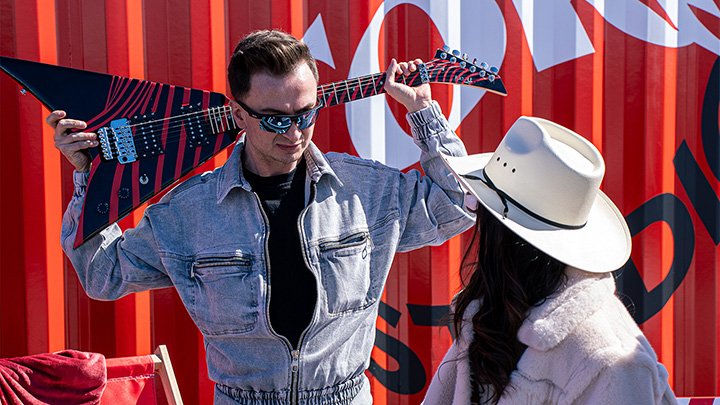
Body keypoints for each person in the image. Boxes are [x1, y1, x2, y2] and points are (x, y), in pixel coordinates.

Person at [48, 30, 474, 404]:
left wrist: (424, 113)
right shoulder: (190, 212)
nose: (293, 134)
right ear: (238, 114)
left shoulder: (366, 192)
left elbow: (461, 204)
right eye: (273, 120)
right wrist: (90, 177)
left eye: (305, 114)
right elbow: (102, 276)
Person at [422, 117, 678, 404]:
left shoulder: (610, 361)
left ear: (500, 236)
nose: (472, 212)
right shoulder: (491, 313)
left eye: (475, 203)